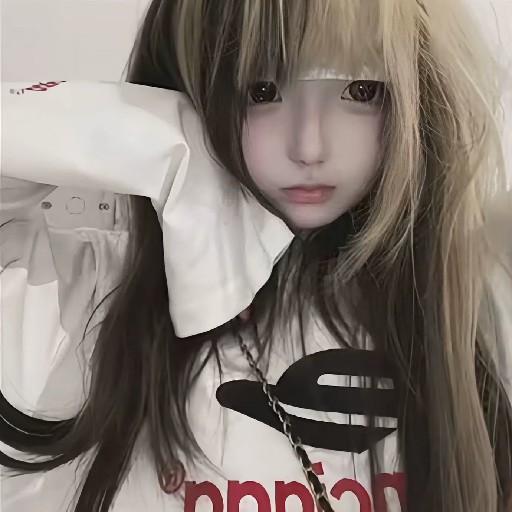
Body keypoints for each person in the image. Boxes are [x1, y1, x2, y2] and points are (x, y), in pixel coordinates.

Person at [1, 0, 511, 511]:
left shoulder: (477, 297)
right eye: (262, 90)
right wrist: (161, 138)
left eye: (360, 90)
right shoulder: (84, 295)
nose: (309, 147)